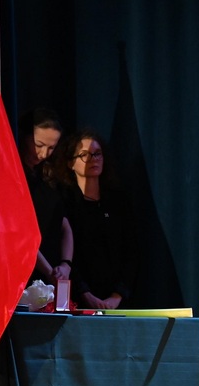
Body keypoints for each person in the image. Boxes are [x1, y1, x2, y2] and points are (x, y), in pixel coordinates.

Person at [54, 130, 137, 310]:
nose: (94, 159)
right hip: (78, 300)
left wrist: (117, 296)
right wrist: (85, 294)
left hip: (117, 302)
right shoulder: (65, 203)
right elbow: (65, 254)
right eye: (85, 155)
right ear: (70, 163)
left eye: (97, 153)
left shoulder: (118, 202)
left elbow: (131, 252)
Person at [17, 108, 73, 286]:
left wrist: (66, 264)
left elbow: (65, 225)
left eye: (51, 148)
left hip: (52, 272)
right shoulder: (14, 175)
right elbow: (20, 235)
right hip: (25, 273)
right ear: (24, 136)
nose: (43, 154)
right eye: (38, 144)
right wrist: (49, 271)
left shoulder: (49, 175)